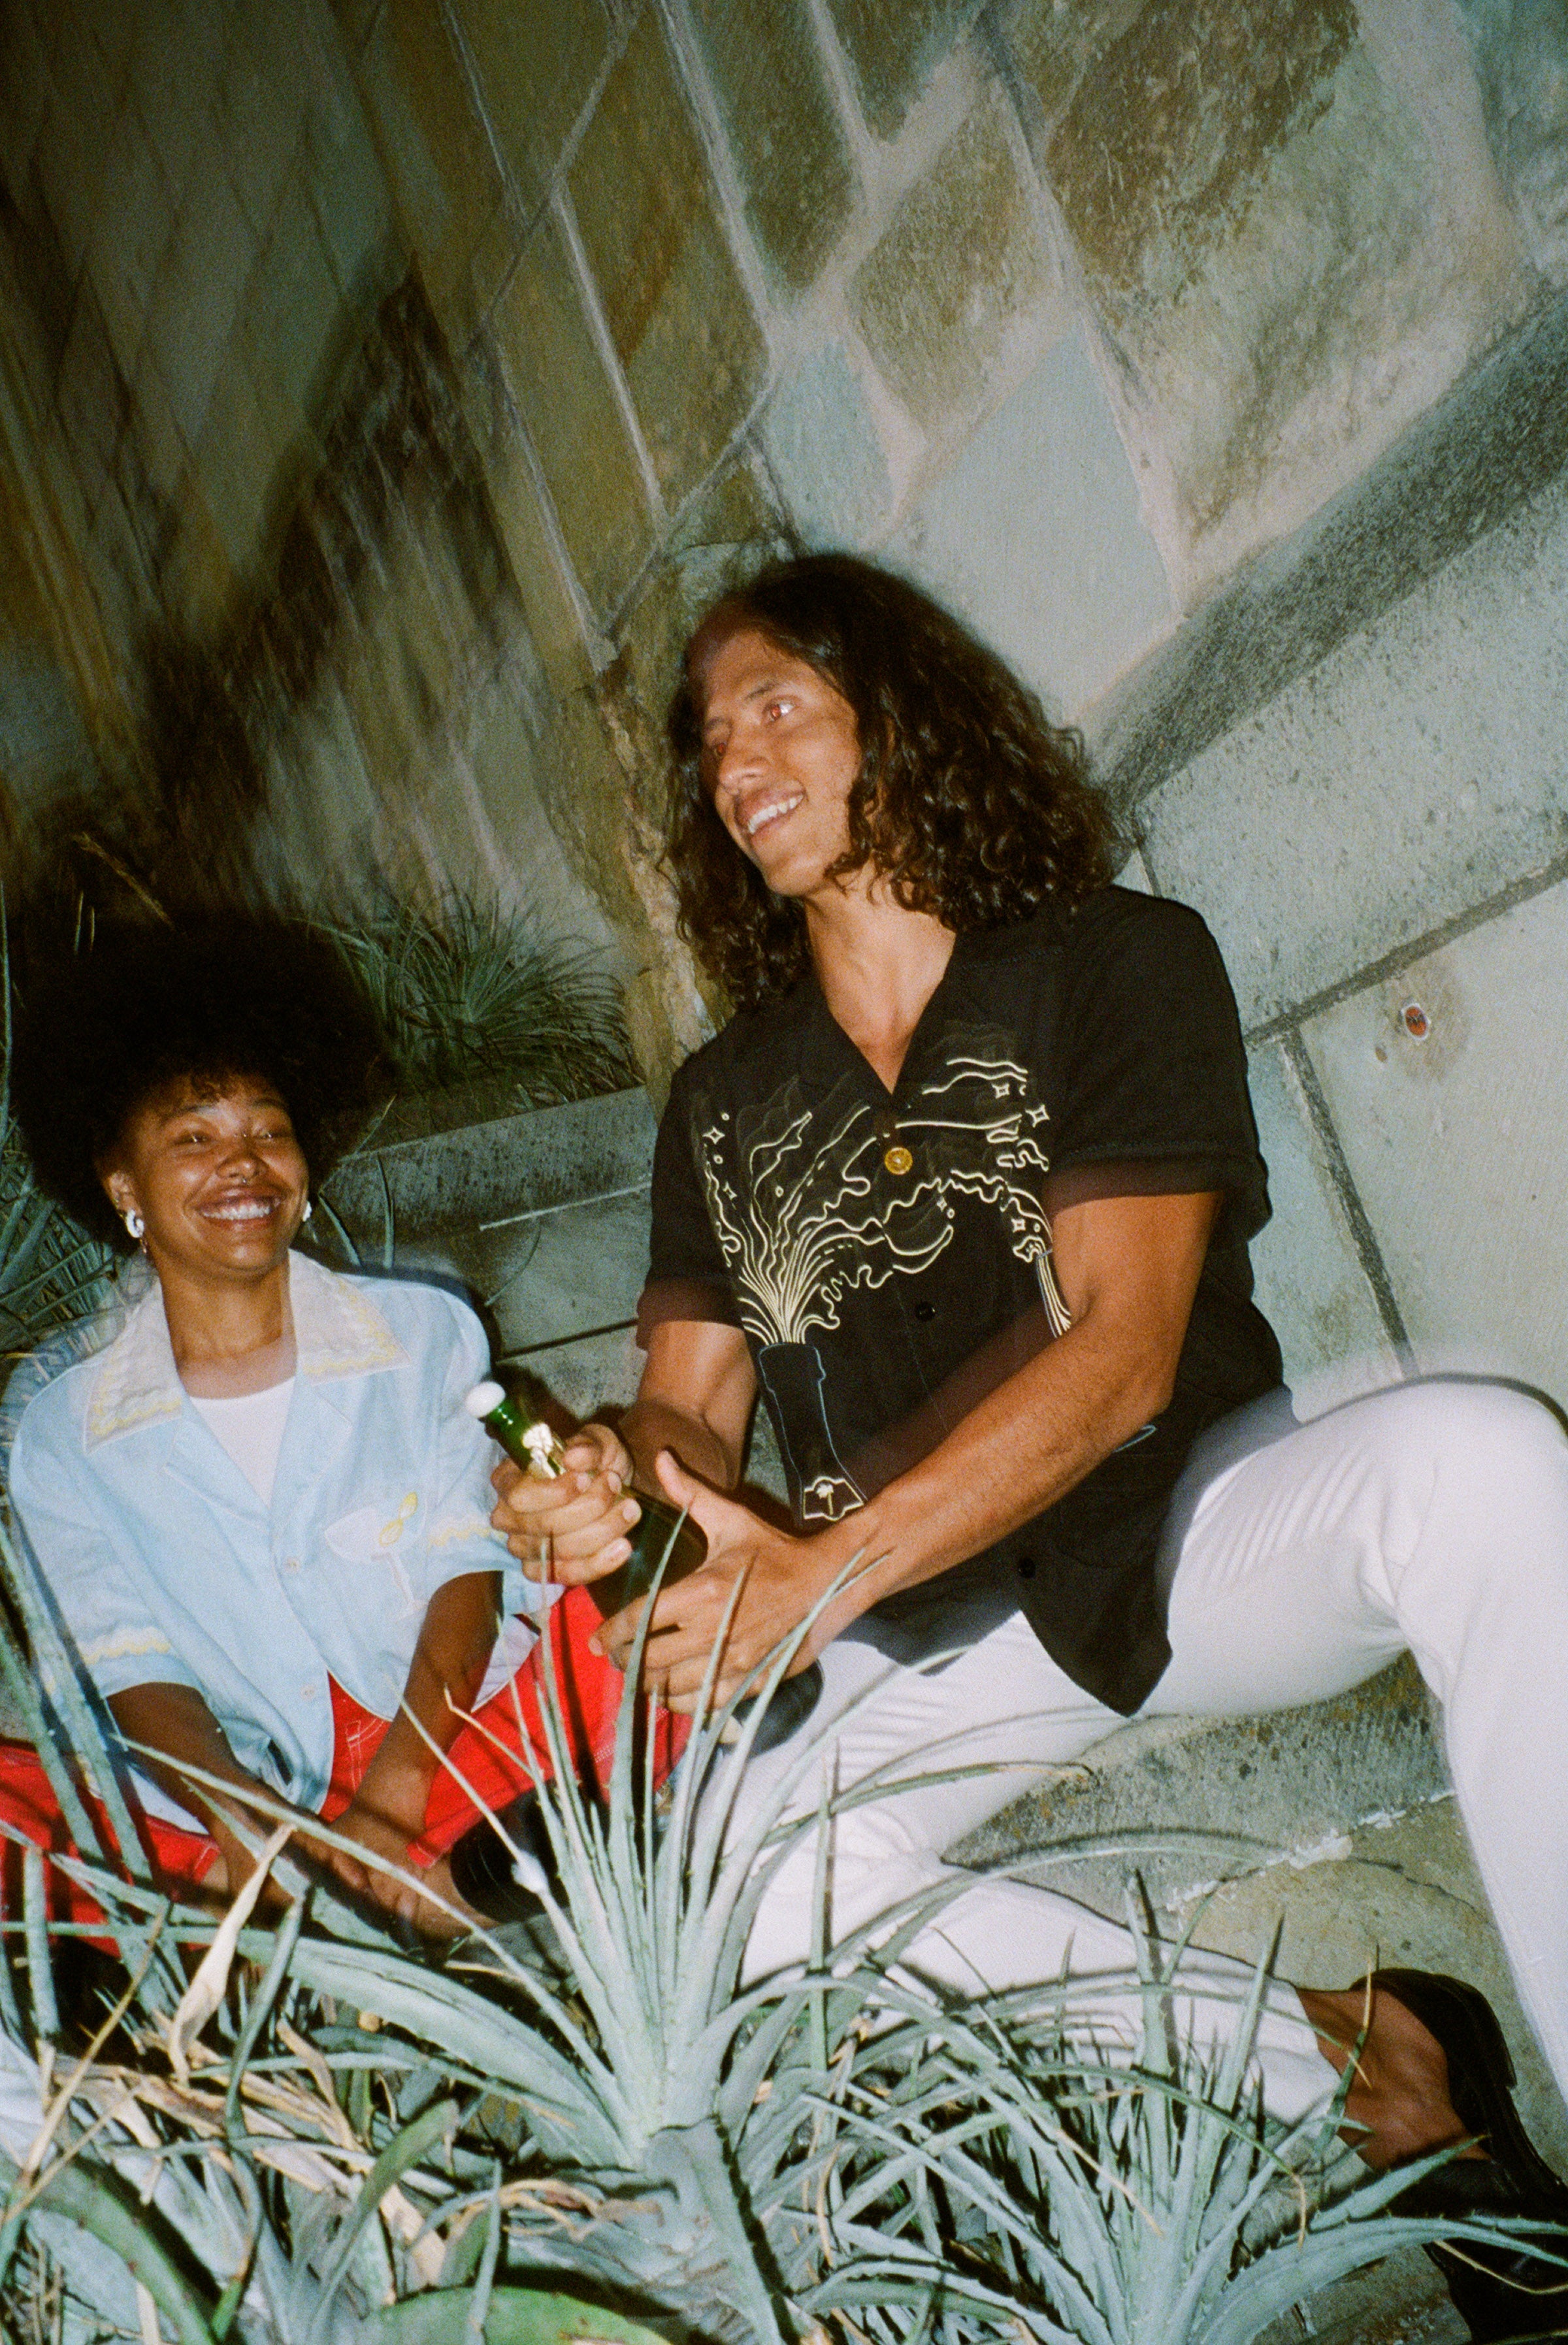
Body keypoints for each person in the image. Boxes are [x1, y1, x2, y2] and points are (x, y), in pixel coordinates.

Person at [492, 554, 1568, 2338]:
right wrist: (597, 1476)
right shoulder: (726, 1099)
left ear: (894, 710)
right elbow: (686, 1409)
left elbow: (1124, 1346)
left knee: (1482, 1462)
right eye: (706, 737)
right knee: (745, 1892)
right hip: (924, 1629)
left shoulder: (1110, 959)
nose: (733, 756)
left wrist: (829, 1560)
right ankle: (1377, 2096)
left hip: (1179, 1536)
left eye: (775, 701)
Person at [1, 919, 674, 1939]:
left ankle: (395, 1908)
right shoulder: (60, 1438)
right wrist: (257, 1825)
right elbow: (128, 1668)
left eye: (270, 1130)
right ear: (123, 1186)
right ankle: (452, 1892)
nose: (245, 1165)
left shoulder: (423, 1331)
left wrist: (395, 1793)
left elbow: (468, 1572)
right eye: (194, 1138)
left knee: (642, 1585)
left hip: (454, 1738)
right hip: (246, 1801)